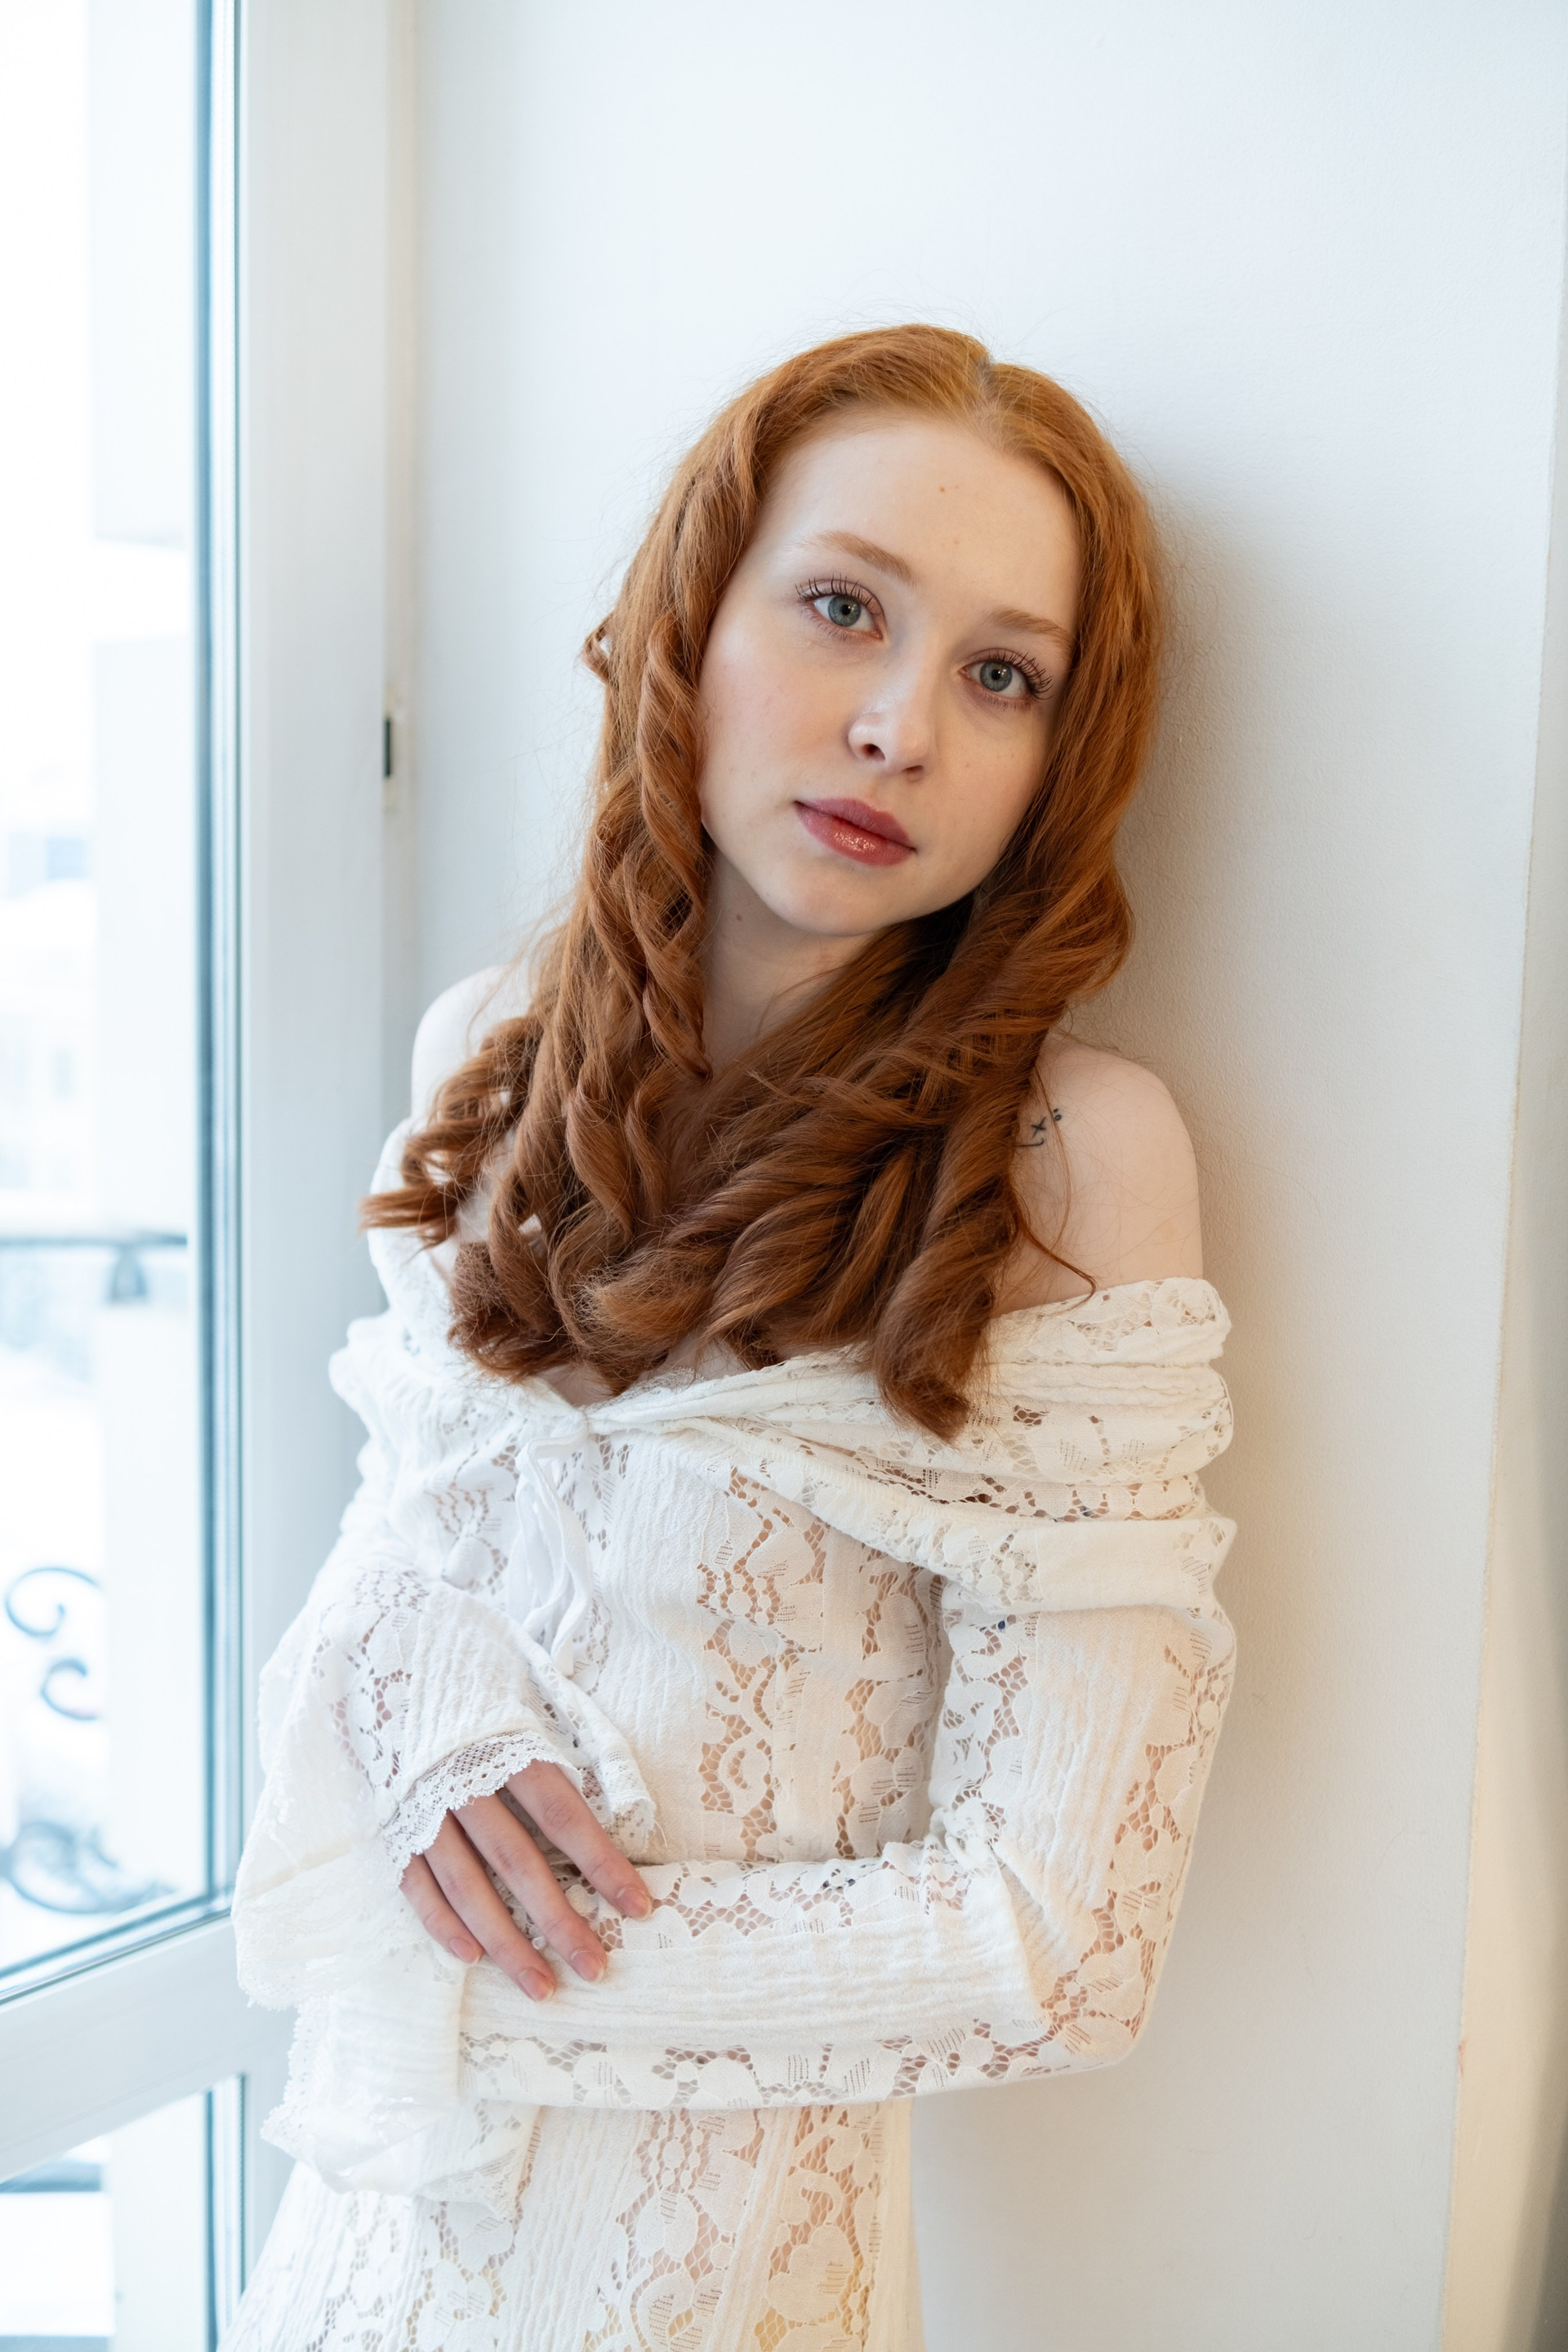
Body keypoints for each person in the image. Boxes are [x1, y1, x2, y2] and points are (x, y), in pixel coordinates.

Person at [223, 324, 1236, 2351]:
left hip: (716, 2288)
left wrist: (446, 1970)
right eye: (843, 607)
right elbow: (394, 1565)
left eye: (1001, 675)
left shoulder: (1066, 1162)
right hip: (361, 2250)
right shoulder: (489, 1060)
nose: (895, 728)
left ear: (1059, 760)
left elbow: (1057, 1941)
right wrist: (421, 1709)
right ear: (691, 617)